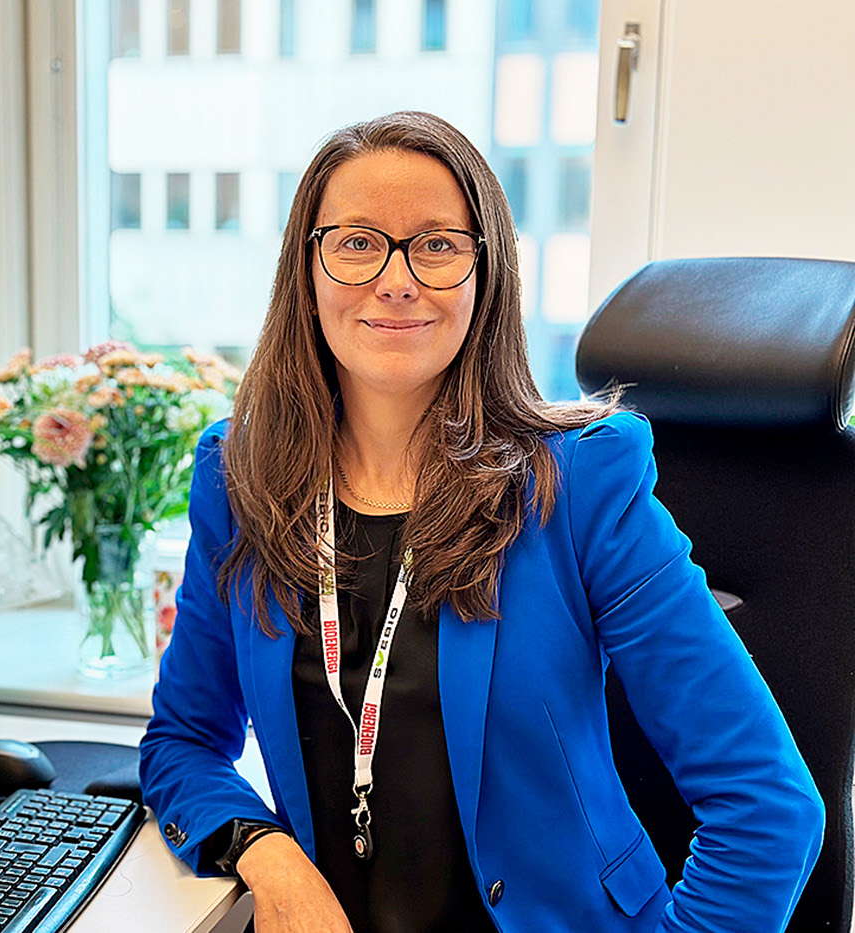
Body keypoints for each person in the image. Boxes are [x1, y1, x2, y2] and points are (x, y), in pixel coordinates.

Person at [138, 110, 824, 932]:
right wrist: (268, 854)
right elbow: (182, 741)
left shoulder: (578, 484)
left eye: (436, 244)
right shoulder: (242, 479)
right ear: (306, 271)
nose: (397, 279)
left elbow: (768, 808)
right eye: (357, 242)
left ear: (485, 273)